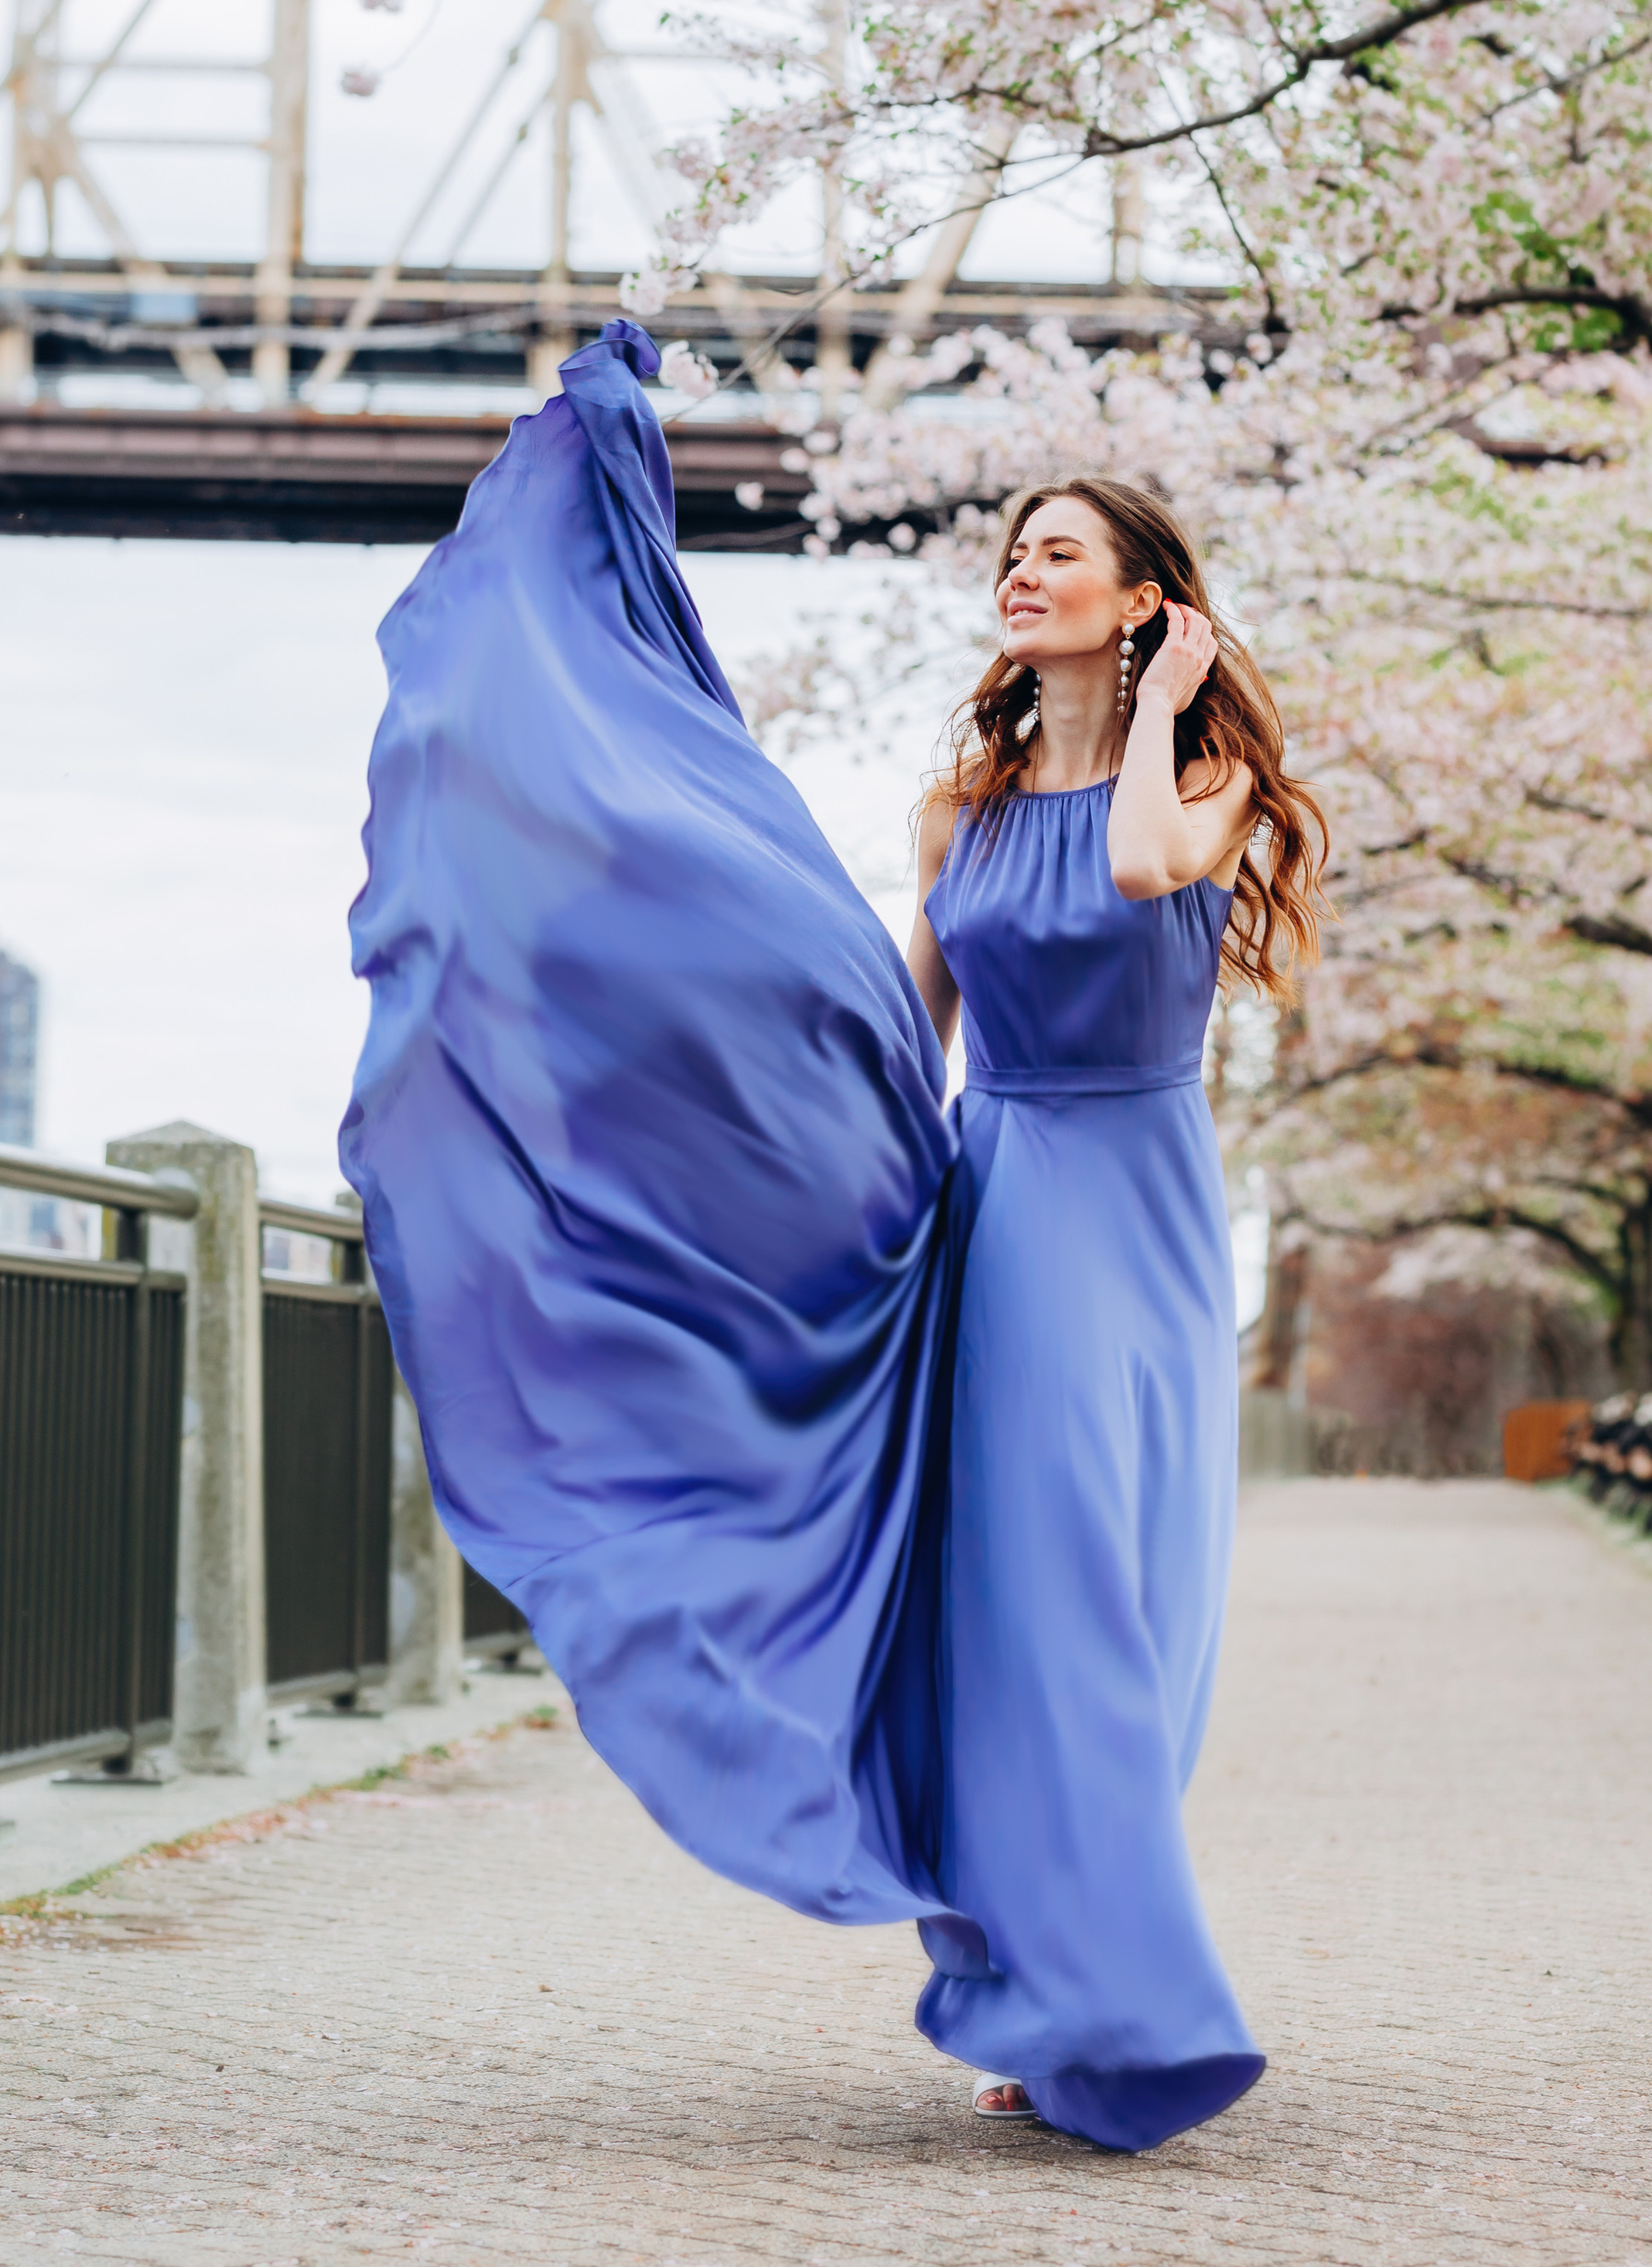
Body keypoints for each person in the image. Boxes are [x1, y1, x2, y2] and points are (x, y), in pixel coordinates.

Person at [341, 322, 1325, 2154]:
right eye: (1011, 548)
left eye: (1059, 554)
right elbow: (911, 1023)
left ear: (1140, 607)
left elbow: (1129, 879)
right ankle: (1062, 1990)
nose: (1017, 570)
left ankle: (1082, 1978)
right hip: (993, 1203)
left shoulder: (1205, 791)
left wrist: (1170, 704)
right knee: (1011, 1612)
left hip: (1137, 1219)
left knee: (1103, 1609)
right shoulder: (958, 804)